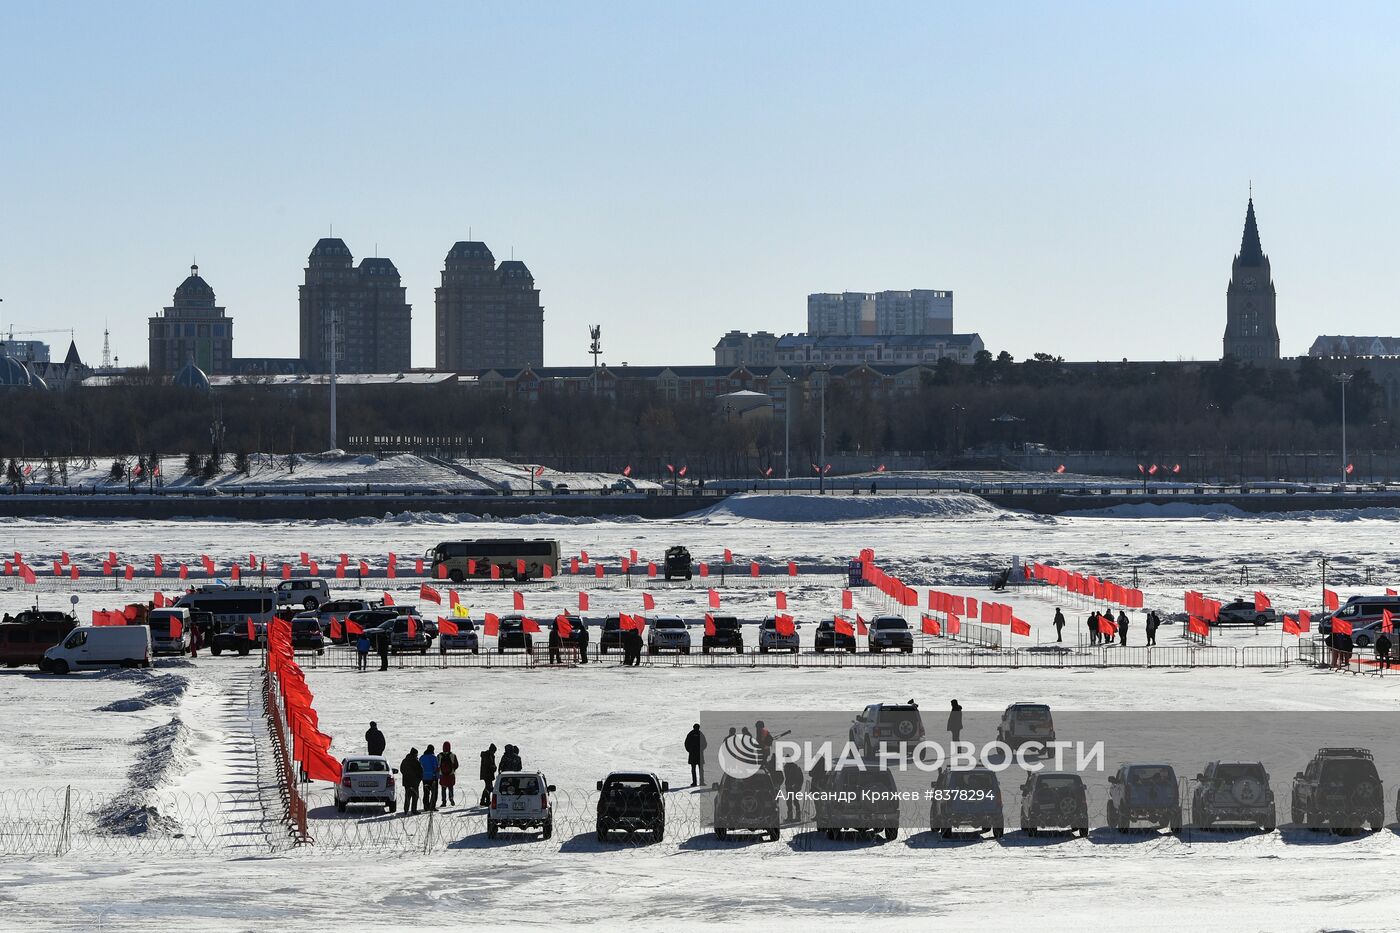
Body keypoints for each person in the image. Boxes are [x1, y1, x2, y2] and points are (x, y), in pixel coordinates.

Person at [400, 748, 423, 815]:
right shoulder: (416, 761)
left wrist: (406, 775)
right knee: (415, 797)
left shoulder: (405, 760)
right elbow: (421, 771)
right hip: (414, 783)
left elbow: (402, 770)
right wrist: (419, 779)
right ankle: (414, 810)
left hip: (406, 782)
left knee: (407, 796)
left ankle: (406, 810)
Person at [420, 745, 440, 812]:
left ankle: (426, 807)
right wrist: (438, 776)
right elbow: (436, 767)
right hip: (433, 777)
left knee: (426, 793)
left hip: (424, 778)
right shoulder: (434, 757)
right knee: (434, 793)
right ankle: (432, 806)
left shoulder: (422, 757)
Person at [439, 741, 459, 806]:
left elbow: (437, 765)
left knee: (443, 788)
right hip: (451, 775)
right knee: (450, 787)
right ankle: (451, 799)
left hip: (442, 775)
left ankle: (444, 802)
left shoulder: (439, 755)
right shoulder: (453, 755)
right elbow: (456, 765)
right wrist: (453, 769)